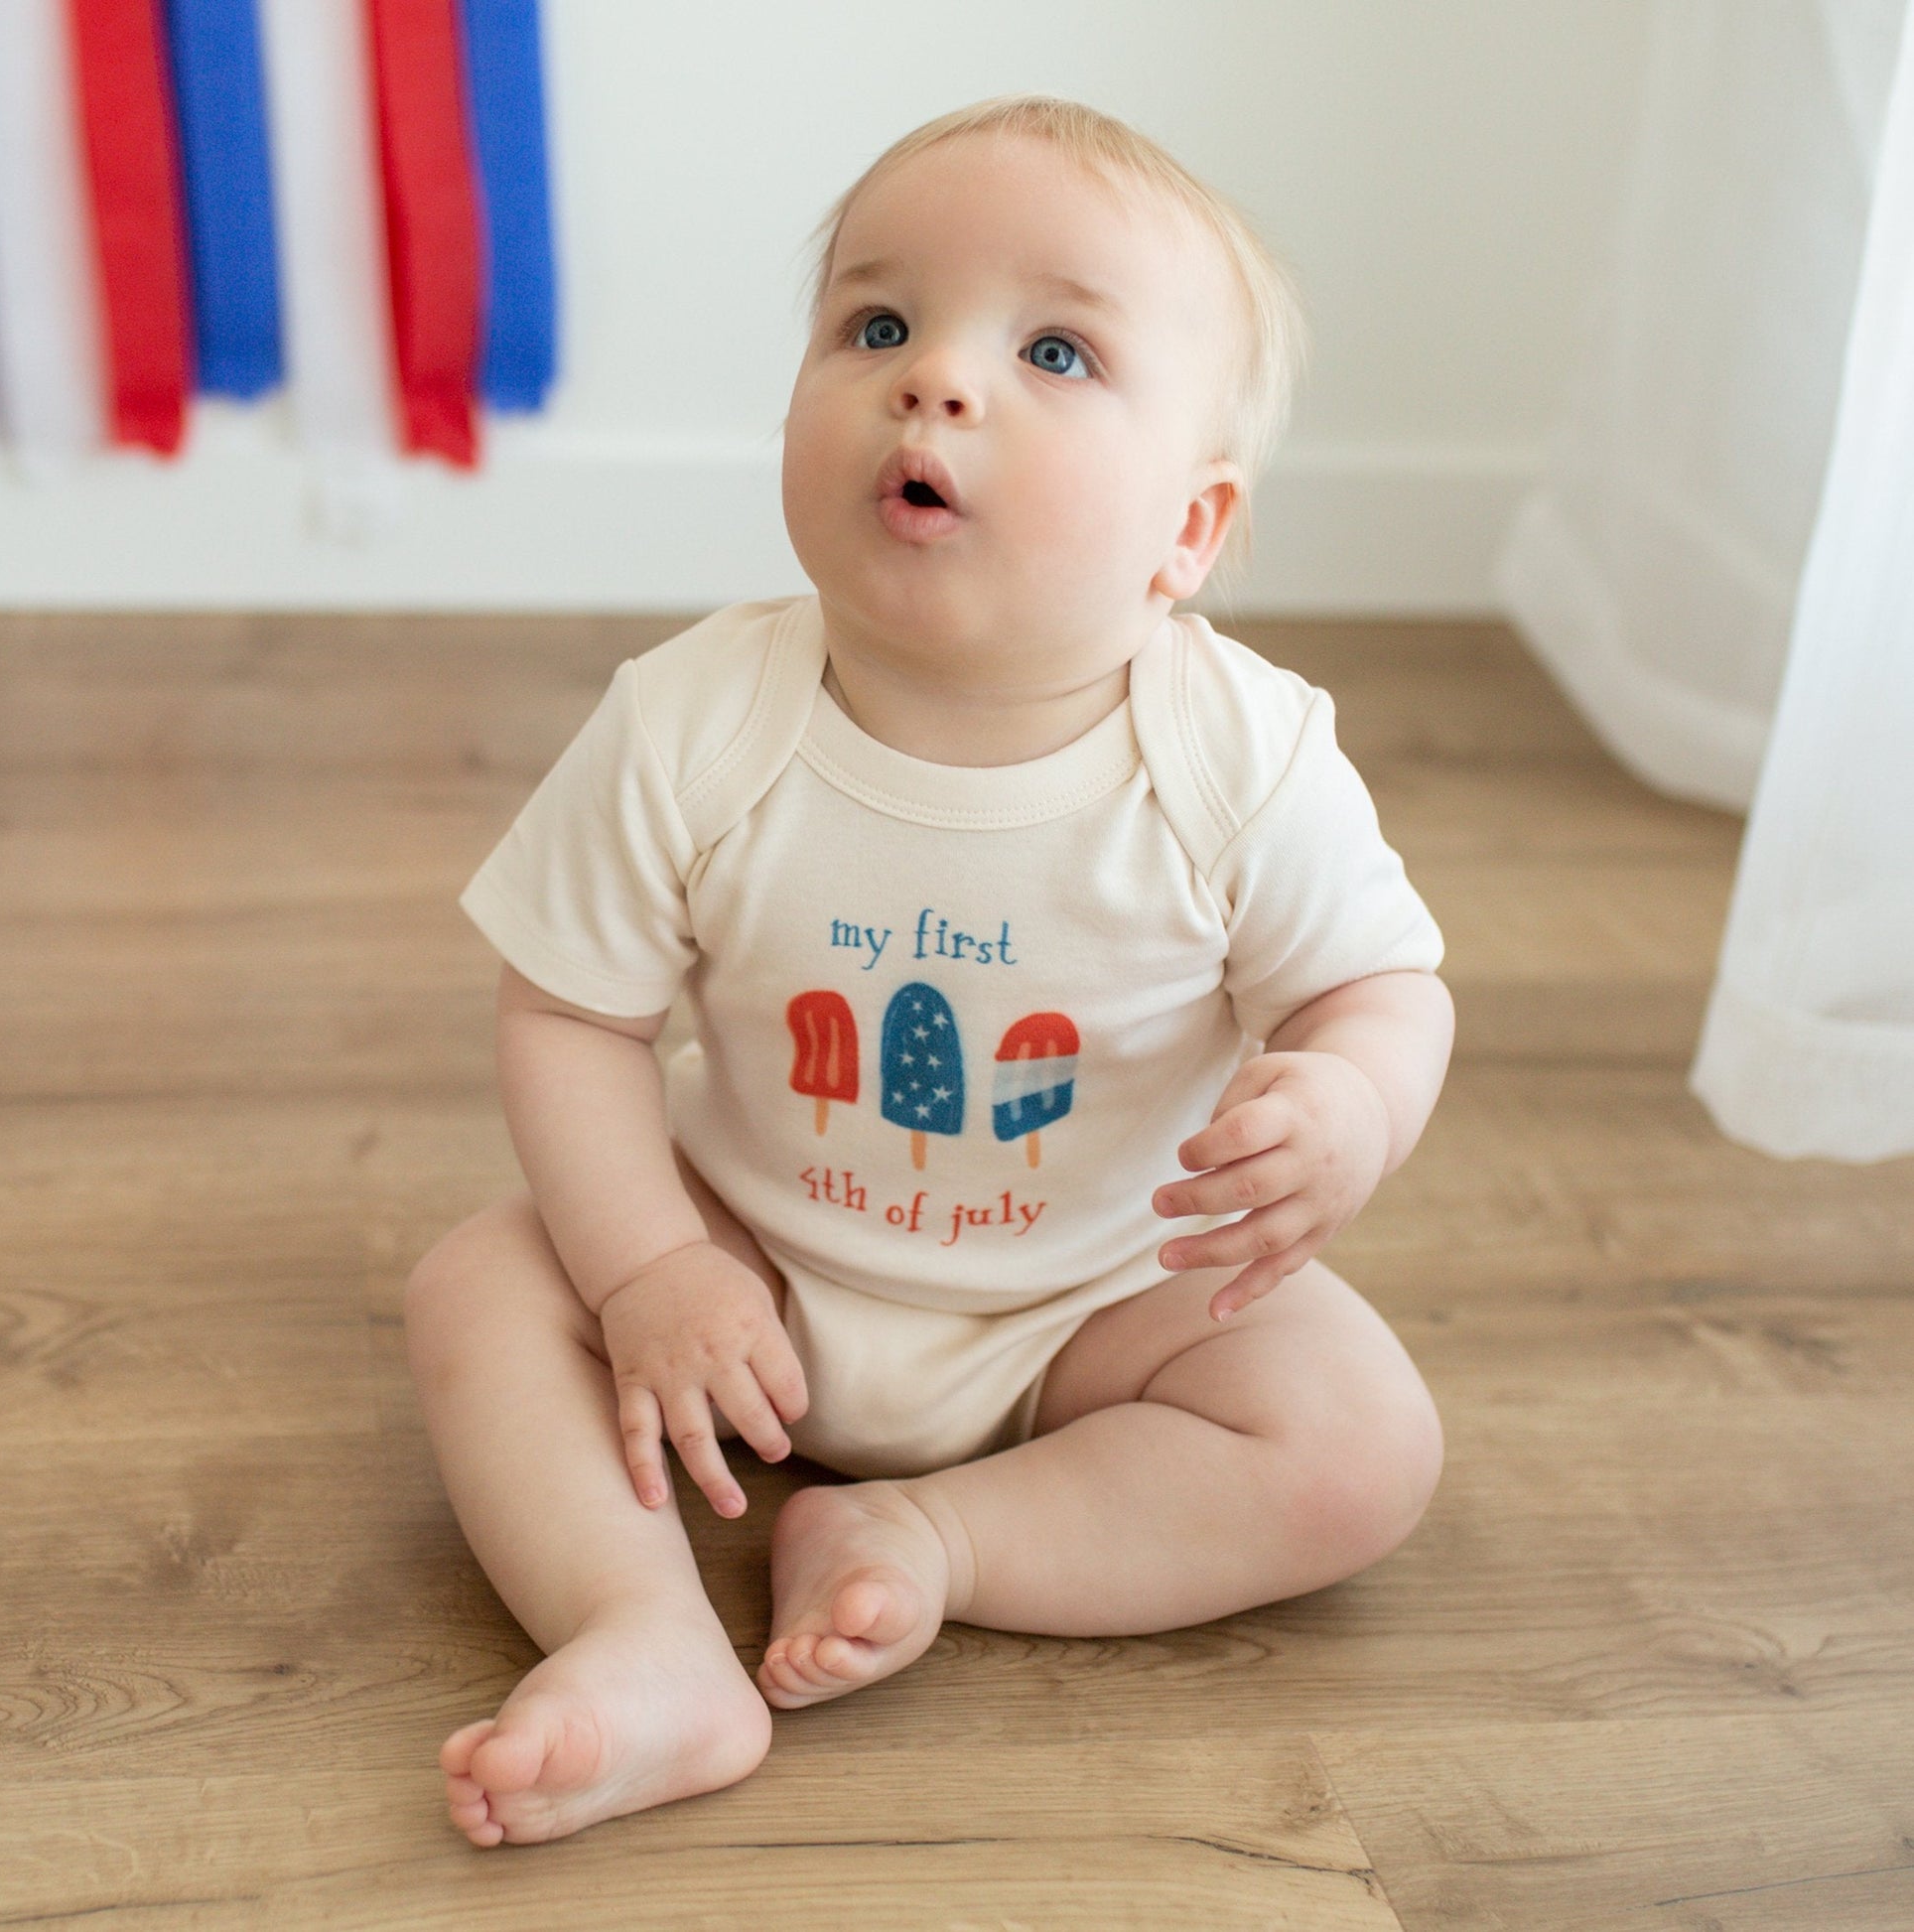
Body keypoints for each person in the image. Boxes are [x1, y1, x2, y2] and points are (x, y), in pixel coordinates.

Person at [406, 92, 1454, 1850]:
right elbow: (571, 1013)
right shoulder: (691, 721)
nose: (936, 381)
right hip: (751, 1263)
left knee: (1359, 1441)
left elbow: (1380, 989)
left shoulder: (1240, 756)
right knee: (478, 1288)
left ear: (1187, 531)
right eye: (878, 324)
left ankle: (939, 1539)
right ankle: (640, 1629)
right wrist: (653, 1264)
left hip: (1095, 1306)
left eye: (1053, 351)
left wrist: (1349, 1100)